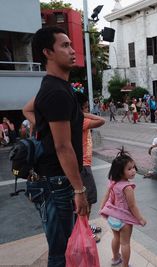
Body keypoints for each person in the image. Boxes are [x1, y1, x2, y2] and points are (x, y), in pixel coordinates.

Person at [22, 26, 89, 266]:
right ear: (48, 52)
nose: (72, 51)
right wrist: (79, 190)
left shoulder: (55, 87)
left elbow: (29, 109)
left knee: (64, 247)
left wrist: (43, 127)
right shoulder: (56, 92)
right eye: (65, 45)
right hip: (57, 182)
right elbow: (63, 147)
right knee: (61, 252)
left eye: (71, 45)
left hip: (55, 180)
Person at [99, 149, 147, 267]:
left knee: (116, 238)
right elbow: (132, 206)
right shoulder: (127, 187)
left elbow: (106, 195)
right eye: (129, 169)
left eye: (133, 167)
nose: (133, 171)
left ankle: (115, 259)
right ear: (121, 172)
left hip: (112, 217)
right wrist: (140, 219)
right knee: (125, 243)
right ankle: (125, 265)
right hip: (124, 220)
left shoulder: (113, 182)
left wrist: (101, 208)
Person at [76, 92, 106, 242]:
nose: (89, 110)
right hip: (83, 166)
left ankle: (84, 227)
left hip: (82, 164)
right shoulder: (81, 120)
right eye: (86, 107)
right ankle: (84, 232)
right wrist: (84, 114)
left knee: (86, 200)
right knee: (88, 200)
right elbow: (101, 120)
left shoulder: (76, 119)